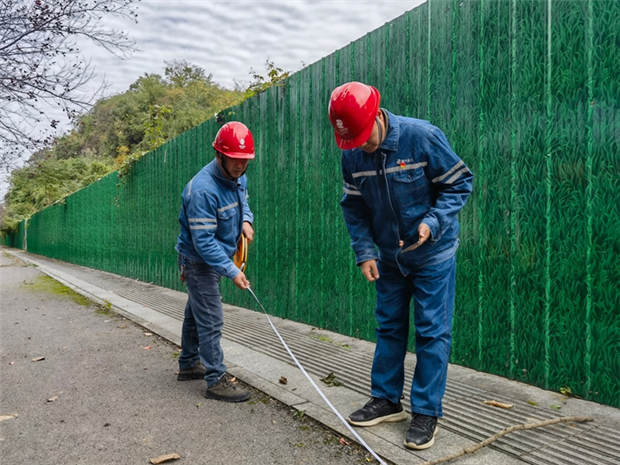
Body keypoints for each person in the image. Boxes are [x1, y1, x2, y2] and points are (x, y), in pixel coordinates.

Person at [327, 82, 473, 449]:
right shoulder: (352, 153)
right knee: (389, 326)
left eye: (364, 135)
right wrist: (365, 251)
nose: (361, 145)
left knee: (431, 330)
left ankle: (426, 410)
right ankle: (386, 400)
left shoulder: (422, 137)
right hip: (388, 256)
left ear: (377, 115)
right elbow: (354, 207)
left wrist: (433, 221)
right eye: (352, 140)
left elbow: (459, 183)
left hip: (433, 253)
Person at [175, 121, 255, 403]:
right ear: (219, 154)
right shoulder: (202, 191)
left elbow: (243, 202)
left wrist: (246, 221)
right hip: (198, 261)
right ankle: (215, 380)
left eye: (245, 159)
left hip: (218, 256)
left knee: (196, 311)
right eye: (234, 159)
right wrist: (232, 271)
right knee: (211, 318)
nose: (240, 165)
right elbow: (204, 243)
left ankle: (188, 364)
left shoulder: (239, 177)